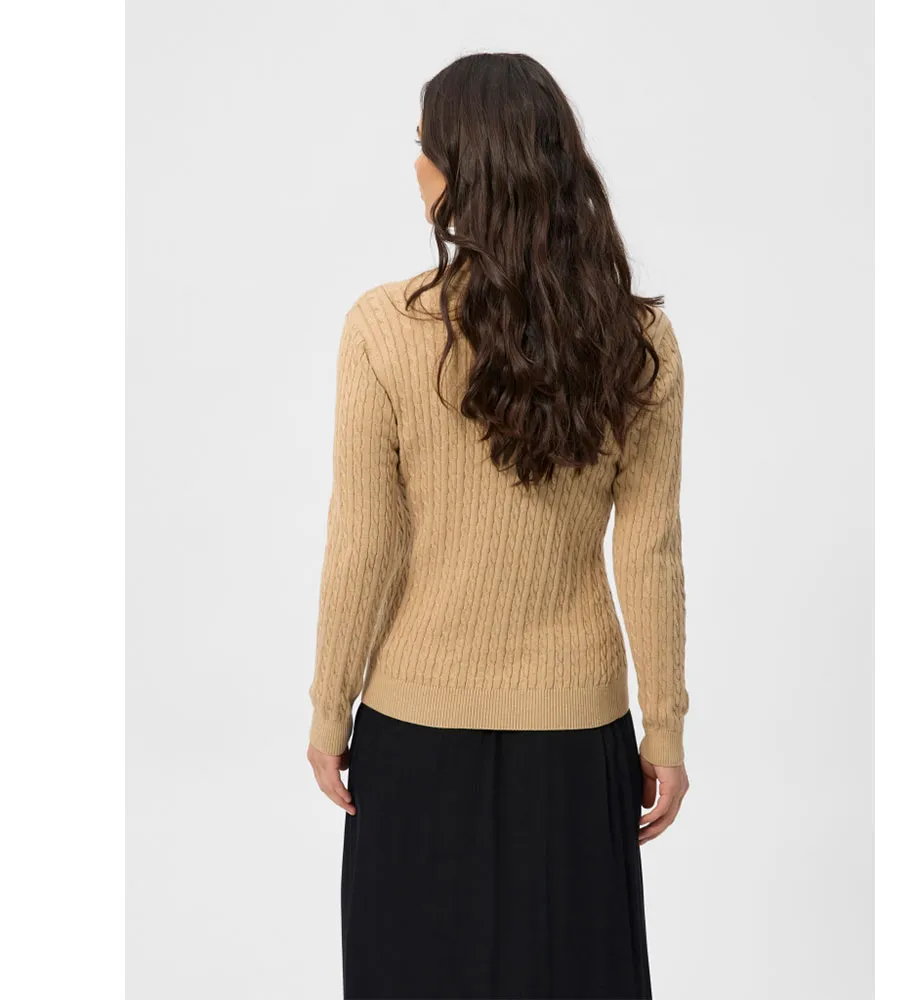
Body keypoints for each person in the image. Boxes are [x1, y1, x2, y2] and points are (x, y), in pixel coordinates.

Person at [306, 51, 690, 1000]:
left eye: (426, 148)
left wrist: (328, 708)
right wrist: (665, 731)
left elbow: (364, 543)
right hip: (577, 738)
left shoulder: (382, 328)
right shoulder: (636, 340)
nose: (415, 167)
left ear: (463, 172)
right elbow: (649, 549)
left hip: (413, 733)